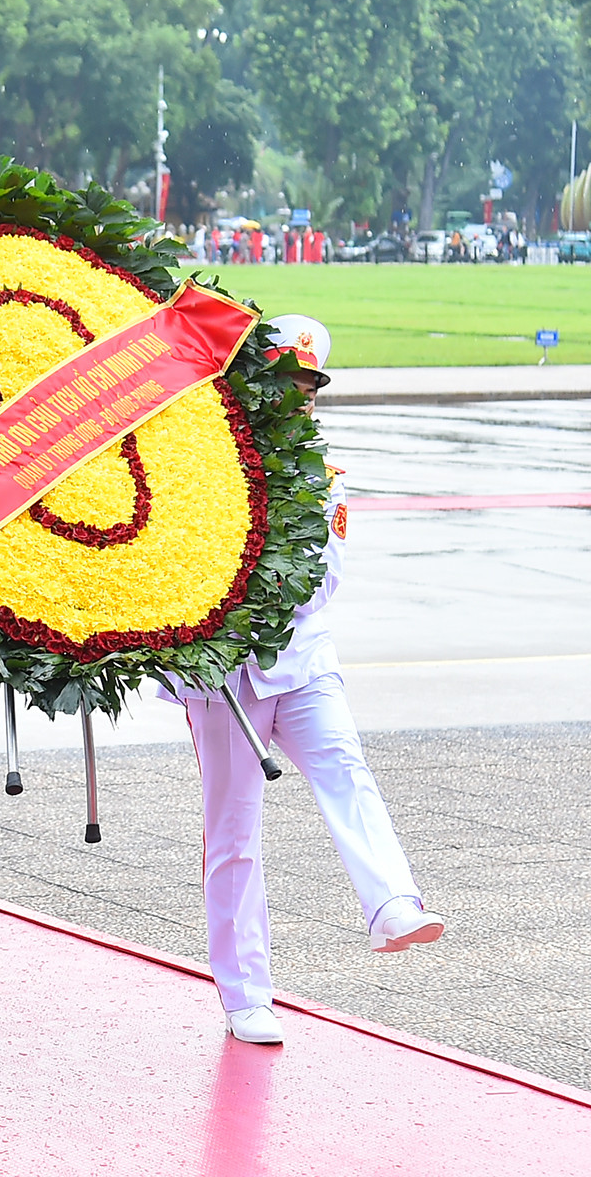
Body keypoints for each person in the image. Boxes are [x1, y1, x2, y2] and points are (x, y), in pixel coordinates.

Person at [163, 316, 443, 1047]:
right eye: (286, 388)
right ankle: (245, 992)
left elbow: (325, 580)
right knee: (233, 833)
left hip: (304, 656)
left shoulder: (324, 477)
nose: (300, 404)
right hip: (225, 676)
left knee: (347, 770)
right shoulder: (204, 464)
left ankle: (391, 903)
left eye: (310, 391)